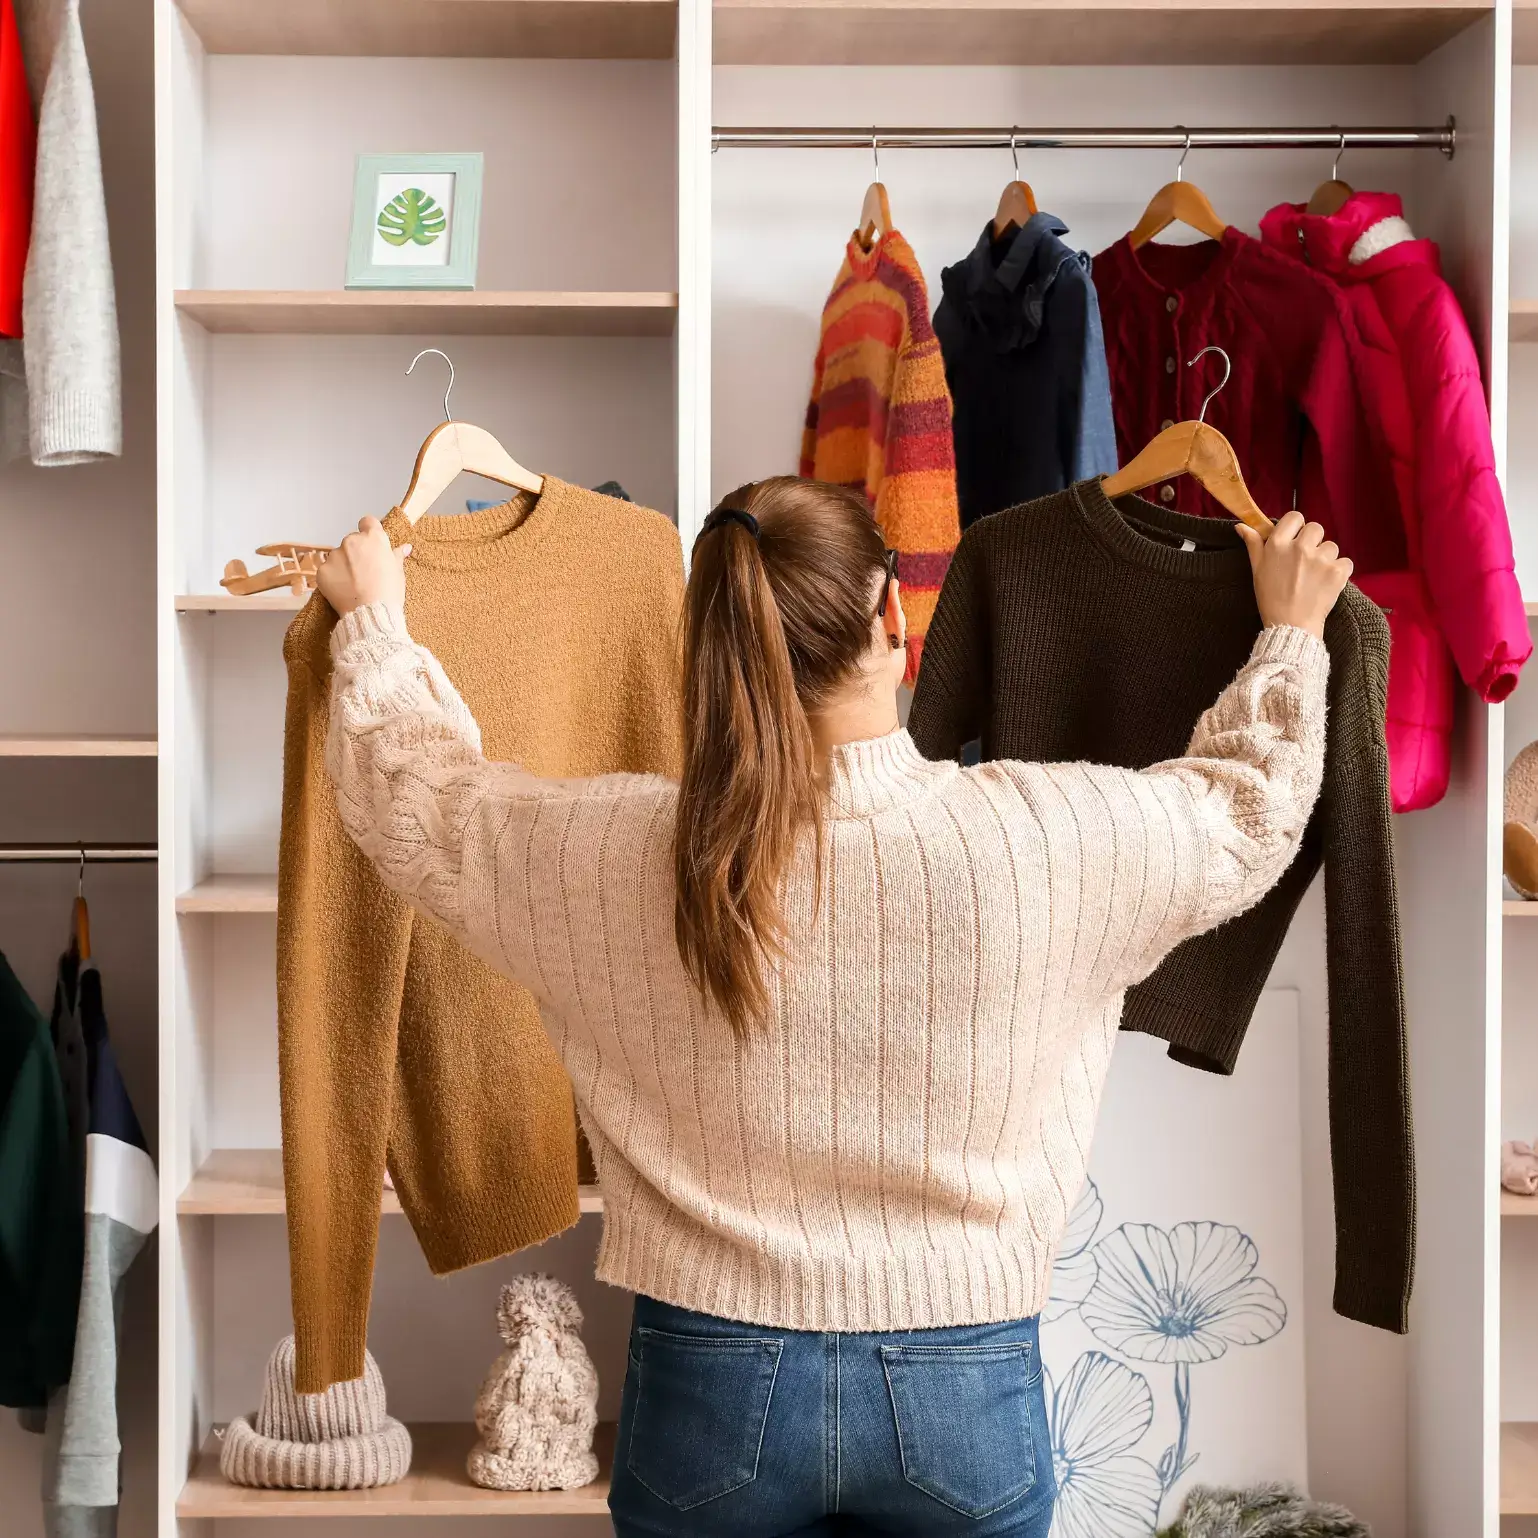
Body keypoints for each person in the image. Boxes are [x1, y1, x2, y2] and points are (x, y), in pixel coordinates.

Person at [316, 477, 1351, 1538]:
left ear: (708, 646)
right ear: (891, 620)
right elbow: (1247, 805)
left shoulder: (610, 854)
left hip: (708, 1383)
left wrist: (376, 626)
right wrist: (1287, 634)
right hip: (965, 1378)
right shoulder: (1050, 841)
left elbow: (420, 800)